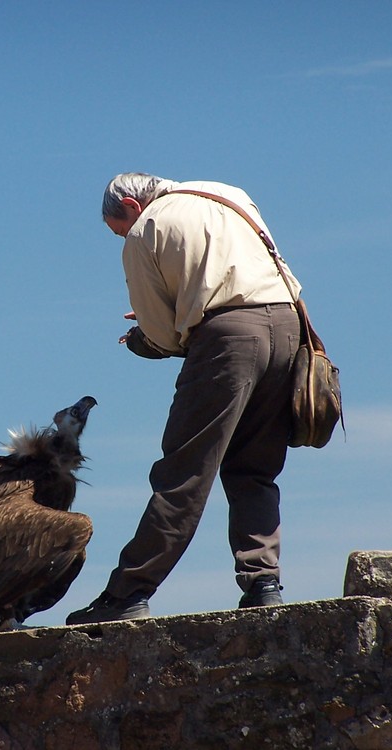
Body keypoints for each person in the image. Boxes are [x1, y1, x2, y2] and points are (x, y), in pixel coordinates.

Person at [67, 173, 303, 625]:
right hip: (288, 328)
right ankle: (263, 583)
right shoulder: (230, 194)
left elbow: (161, 336)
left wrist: (141, 337)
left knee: (183, 474)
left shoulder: (145, 228)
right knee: (254, 469)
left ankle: (128, 593)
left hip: (227, 339)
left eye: (118, 228)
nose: (122, 236)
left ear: (133, 206)